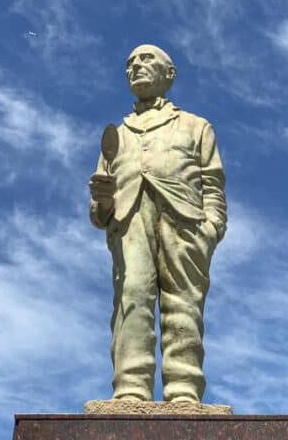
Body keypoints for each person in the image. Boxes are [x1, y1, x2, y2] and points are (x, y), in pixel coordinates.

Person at [89, 44, 227, 403]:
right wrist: (102, 198)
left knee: (184, 303)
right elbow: (99, 214)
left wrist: (211, 227)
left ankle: (184, 391)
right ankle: (130, 389)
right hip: (129, 220)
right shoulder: (116, 136)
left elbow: (213, 185)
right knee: (131, 297)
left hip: (186, 222)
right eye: (130, 62)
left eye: (146, 59)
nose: (136, 66)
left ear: (170, 74)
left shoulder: (197, 126)